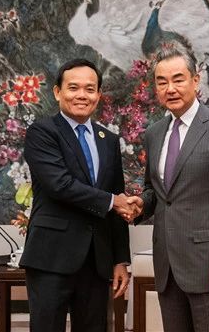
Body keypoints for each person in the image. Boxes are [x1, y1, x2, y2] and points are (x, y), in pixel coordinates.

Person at [130, 43, 209, 332]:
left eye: (178, 79)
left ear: (195, 80)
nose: (170, 89)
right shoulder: (154, 134)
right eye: (162, 82)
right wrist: (140, 204)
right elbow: (157, 192)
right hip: (167, 264)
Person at [20, 58, 140, 332]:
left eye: (90, 89)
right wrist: (114, 201)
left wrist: (120, 260)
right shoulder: (42, 132)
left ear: (98, 94)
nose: (82, 95)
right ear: (57, 92)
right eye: (73, 88)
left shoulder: (109, 140)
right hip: (51, 257)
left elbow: (116, 198)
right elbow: (60, 185)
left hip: (97, 261)